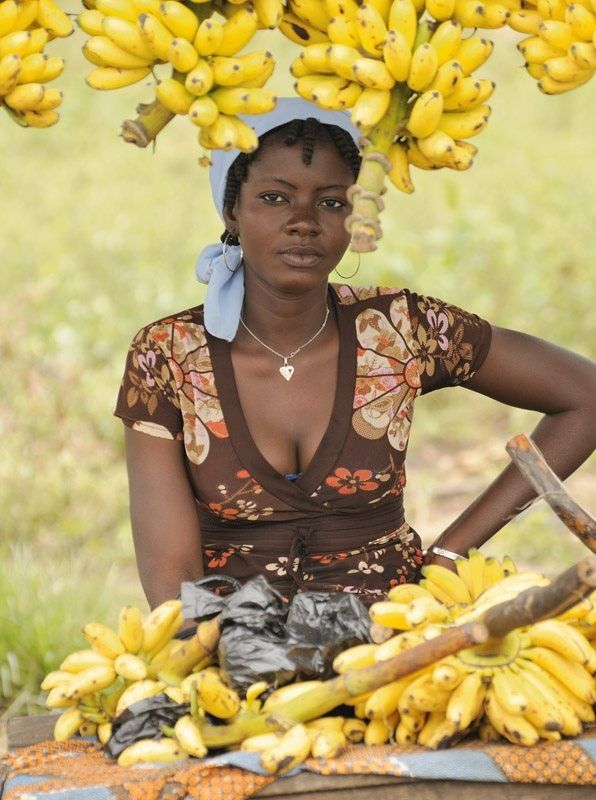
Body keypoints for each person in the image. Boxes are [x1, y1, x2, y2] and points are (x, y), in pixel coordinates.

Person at [114, 98, 596, 612]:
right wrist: (211, 666)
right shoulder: (168, 355)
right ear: (233, 210)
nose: (304, 222)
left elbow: (584, 397)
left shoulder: (398, 330)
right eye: (275, 198)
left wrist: (453, 549)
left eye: (332, 202)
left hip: (396, 638)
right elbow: (172, 577)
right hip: (229, 643)